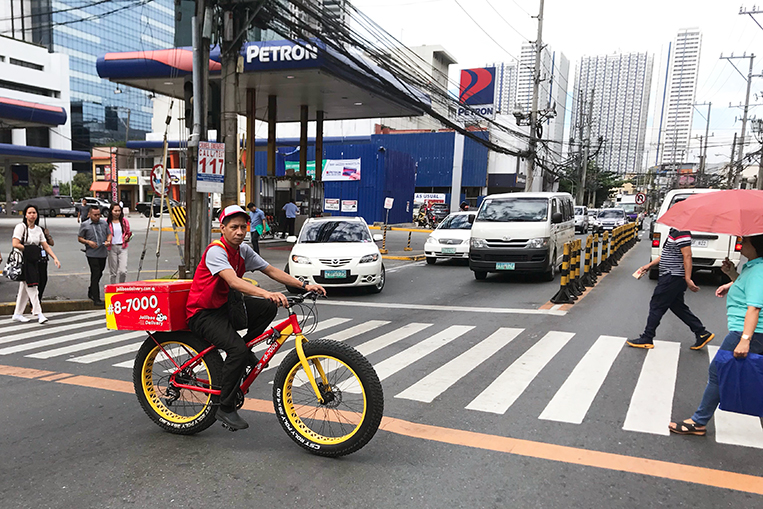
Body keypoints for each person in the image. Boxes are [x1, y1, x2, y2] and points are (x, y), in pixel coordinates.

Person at [186, 205, 326, 430]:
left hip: (224, 307)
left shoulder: (243, 251)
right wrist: (267, 292)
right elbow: (233, 281)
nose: (240, 232)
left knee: (266, 308)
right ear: (222, 228)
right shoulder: (217, 251)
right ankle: (225, 406)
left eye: (243, 226)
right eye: (234, 227)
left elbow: (271, 270)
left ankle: (244, 349)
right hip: (202, 313)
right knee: (237, 352)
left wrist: (304, 285)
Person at [669, 235, 763, 436]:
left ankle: (698, 421)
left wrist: (745, 340)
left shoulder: (758, 271)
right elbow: (748, 287)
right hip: (751, 332)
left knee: (719, 372)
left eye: (745, 241)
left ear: (756, 246)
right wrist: (732, 275)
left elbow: (754, 307)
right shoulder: (753, 267)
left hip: (746, 332)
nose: (741, 244)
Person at [627, 227, 714, 350]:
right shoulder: (675, 231)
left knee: (656, 305)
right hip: (671, 276)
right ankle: (701, 332)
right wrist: (650, 265)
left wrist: (688, 278)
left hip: (672, 276)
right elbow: (667, 254)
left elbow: (687, 255)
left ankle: (647, 337)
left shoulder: (682, 231)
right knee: (678, 307)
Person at [11, 205, 60, 323]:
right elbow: (15, 243)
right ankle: (39, 313)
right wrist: (29, 249)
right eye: (30, 213)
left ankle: (17, 313)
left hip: (34, 260)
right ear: (25, 215)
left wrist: (55, 258)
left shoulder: (38, 229)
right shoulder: (21, 227)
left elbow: (45, 245)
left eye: (34, 213)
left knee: (25, 287)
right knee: (32, 286)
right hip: (24, 261)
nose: (32, 215)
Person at [78, 205, 111, 306]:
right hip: (91, 253)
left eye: (98, 215)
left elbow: (109, 234)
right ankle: (96, 298)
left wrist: (108, 241)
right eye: (95, 215)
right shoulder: (85, 224)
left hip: (102, 252)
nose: (97, 217)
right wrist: (88, 242)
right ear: (89, 214)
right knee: (95, 273)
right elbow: (80, 237)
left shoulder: (104, 223)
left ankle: (91, 290)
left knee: (100, 272)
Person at [106, 203, 132, 284]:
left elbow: (128, 233)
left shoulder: (124, 221)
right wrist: (107, 241)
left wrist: (127, 237)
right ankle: (113, 288)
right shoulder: (107, 222)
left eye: (119, 211)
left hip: (122, 247)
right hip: (112, 248)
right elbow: (104, 234)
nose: (117, 213)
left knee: (123, 271)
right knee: (113, 272)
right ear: (111, 211)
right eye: (115, 211)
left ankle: (121, 286)